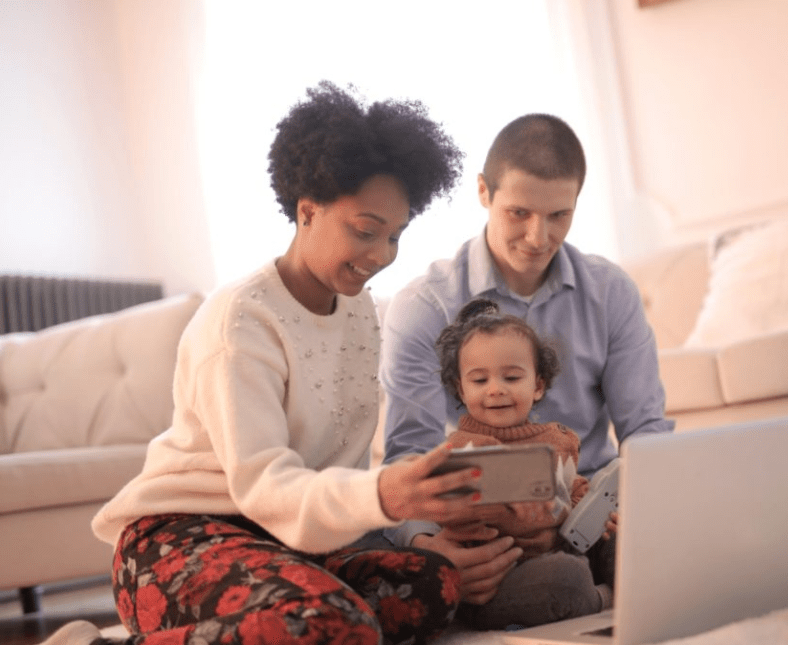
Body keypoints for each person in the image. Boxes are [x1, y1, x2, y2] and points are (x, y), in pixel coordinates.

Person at [48, 81, 505, 645]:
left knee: (434, 584)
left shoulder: (358, 309)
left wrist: (409, 533)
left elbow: (335, 475)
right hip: (178, 541)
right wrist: (386, 496)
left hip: (283, 543)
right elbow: (264, 486)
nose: (382, 256)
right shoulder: (241, 322)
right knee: (328, 624)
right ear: (307, 210)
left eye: (395, 235)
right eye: (365, 231)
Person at [379, 113, 675, 624]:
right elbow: (407, 457)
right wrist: (433, 546)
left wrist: (642, 509)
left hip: (596, 510)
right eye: (519, 212)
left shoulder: (610, 292)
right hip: (492, 529)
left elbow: (646, 433)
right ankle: (610, 598)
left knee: (681, 544)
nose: (539, 236)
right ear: (483, 193)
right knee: (556, 582)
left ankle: (618, 583)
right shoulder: (424, 305)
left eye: (559, 214)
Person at [431, 297, 617, 628]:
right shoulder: (459, 449)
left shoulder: (558, 439)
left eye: (512, 378)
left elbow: (575, 487)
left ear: (538, 386)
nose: (495, 390)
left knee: (622, 539)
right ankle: (604, 599)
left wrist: (595, 517)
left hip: (568, 545)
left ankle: (638, 585)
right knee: (565, 578)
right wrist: (517, 504)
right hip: (505, 579)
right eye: (479, 380)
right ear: (460, 390)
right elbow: (454, 512)